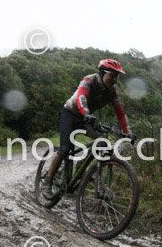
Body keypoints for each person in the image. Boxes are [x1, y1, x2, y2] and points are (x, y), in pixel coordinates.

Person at [41, 59, 136, 199]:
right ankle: (47, 181)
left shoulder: (112, 91)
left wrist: (128, 132)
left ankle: (81, 168)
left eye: (117, 76)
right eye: (112, 75)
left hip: (86, 117)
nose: (114, 79)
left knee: (102, 140)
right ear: (102, 73)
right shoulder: (89, 80)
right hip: (70, 114)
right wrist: (85, 112)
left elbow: (120, 113)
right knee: (65, 149)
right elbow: (81, 97)